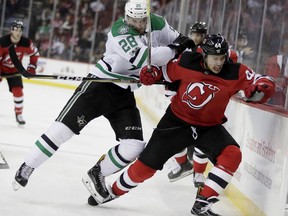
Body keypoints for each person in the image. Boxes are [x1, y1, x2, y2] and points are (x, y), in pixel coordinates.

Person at [13, 0, 194, 192]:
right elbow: (147, 58)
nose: (138, 24)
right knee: (62, 130)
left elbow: (183, 42)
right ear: (127, 17)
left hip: (124, 93)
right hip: (99, 86)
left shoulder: (158, 23)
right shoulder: (119, 30)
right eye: (134, 20)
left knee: (133, 146)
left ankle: (98, 172)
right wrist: (175, 49)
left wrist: (185, 51)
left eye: (142, 20)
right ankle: (28, 165)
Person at [86, 34, 275, 215]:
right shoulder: (186, 61)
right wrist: (151, 74)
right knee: (145, 167)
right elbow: (163, 73)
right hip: (176, 123)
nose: (218, 63)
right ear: (204, 55)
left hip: (208, 127)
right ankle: (113, 192)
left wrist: (264, 87)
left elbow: (262, 80)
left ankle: (203, 202)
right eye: (214, 58)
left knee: (232, 154)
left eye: (221, 58)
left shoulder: (235, 71)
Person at [166, 21, 208, 184]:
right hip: (184, 98)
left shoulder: (206, 51)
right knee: (173, 134)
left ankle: (196, 172)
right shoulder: (186, 48)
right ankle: (185, 165)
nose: (196, 37)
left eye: (199, 35)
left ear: (204, 36)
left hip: (200, 100)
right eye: (194, 34)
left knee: (199, 140)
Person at [0, 20, 39, 125]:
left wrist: (31, 67)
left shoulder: (26, 42)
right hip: (1, 69)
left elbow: (35, 53)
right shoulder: (3, 42)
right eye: (16, 29)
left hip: (14, 70)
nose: (18, 32)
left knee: (18, 92)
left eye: (20, 30)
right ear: (11, 30)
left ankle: (19, 114)